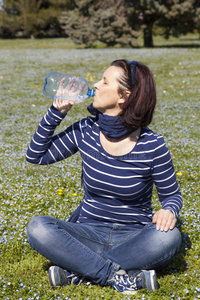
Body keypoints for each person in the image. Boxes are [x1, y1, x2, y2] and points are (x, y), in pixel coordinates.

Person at [26, 59, 182, 294]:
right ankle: (119, 275)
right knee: (38, 227)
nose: (96, 85)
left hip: (135, 236)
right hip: (87, 232)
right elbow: (36, 155)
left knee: (169, 237)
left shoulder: (152, 144)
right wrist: (56, 113)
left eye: (105, 81)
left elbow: (172, 196)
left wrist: (169, 210)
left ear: (124, 96)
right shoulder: (85, 130)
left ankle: (80, 270)